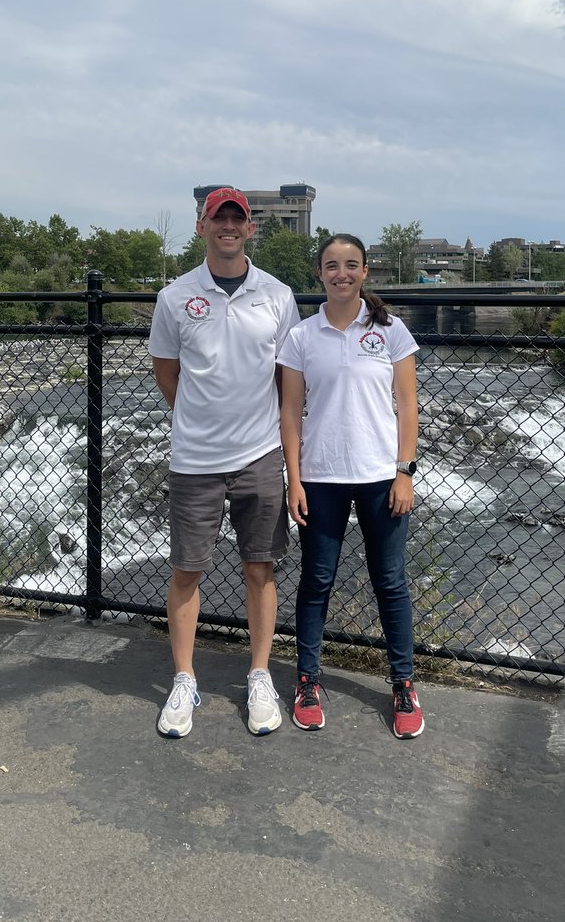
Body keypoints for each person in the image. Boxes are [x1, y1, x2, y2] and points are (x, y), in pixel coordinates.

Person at [149, 187, 301, 738]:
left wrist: (286, 453)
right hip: (195, 459)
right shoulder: (174, 297)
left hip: (259, 455)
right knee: (187, 569)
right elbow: (168, 372)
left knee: (260, 568)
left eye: (237, 219)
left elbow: (289, 379)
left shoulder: (279, 296)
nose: (229, 227)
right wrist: (200, 416)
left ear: (250, 230)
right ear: (202, 227)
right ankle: (184, 679)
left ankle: (259, 673)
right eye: (220, 219)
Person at [279, 233, 424, 739]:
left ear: (365, 272)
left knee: (391, 583)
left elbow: (408, 405)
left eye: (351, 265)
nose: (341, 273)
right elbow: (290, 412)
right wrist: (293, 479)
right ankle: (306, 680)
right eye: (332, 265)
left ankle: (403, 684)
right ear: (319, 273)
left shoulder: (391, 332)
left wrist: (405, 470)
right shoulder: (301, 336)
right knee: (316, 582)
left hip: (382, 478)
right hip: (321, 478)